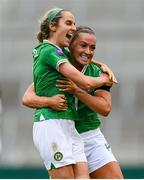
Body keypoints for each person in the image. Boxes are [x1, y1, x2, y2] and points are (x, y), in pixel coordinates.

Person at [23, 25, 123, 178]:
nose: (88, 52)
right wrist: (50, 101)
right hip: (63, 133)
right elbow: (27, 98)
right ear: (70, 46)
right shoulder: (59, 66)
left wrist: (77, 91)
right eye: (83, 46)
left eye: (92, 48)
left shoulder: (97, 72)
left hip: (89, 135)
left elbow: (105, 108)